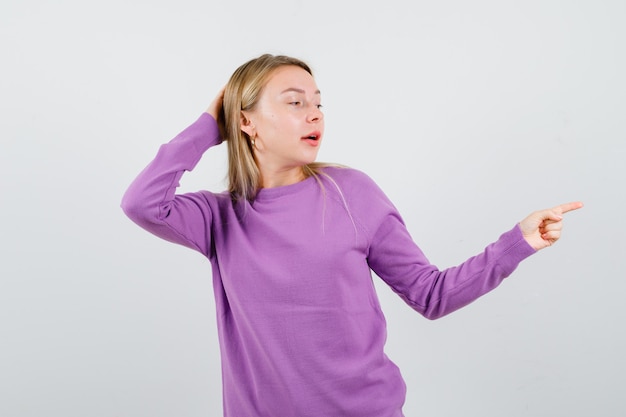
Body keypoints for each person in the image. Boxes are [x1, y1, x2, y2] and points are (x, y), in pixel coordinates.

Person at [121, 54, 583, 417]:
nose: (314, 114)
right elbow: (142, 203)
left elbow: (431, 294)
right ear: (246, 121)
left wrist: (516, 243)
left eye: (318, 102)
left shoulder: (351, 193)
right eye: (295, 102)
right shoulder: (217, 218)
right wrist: (207, 126)